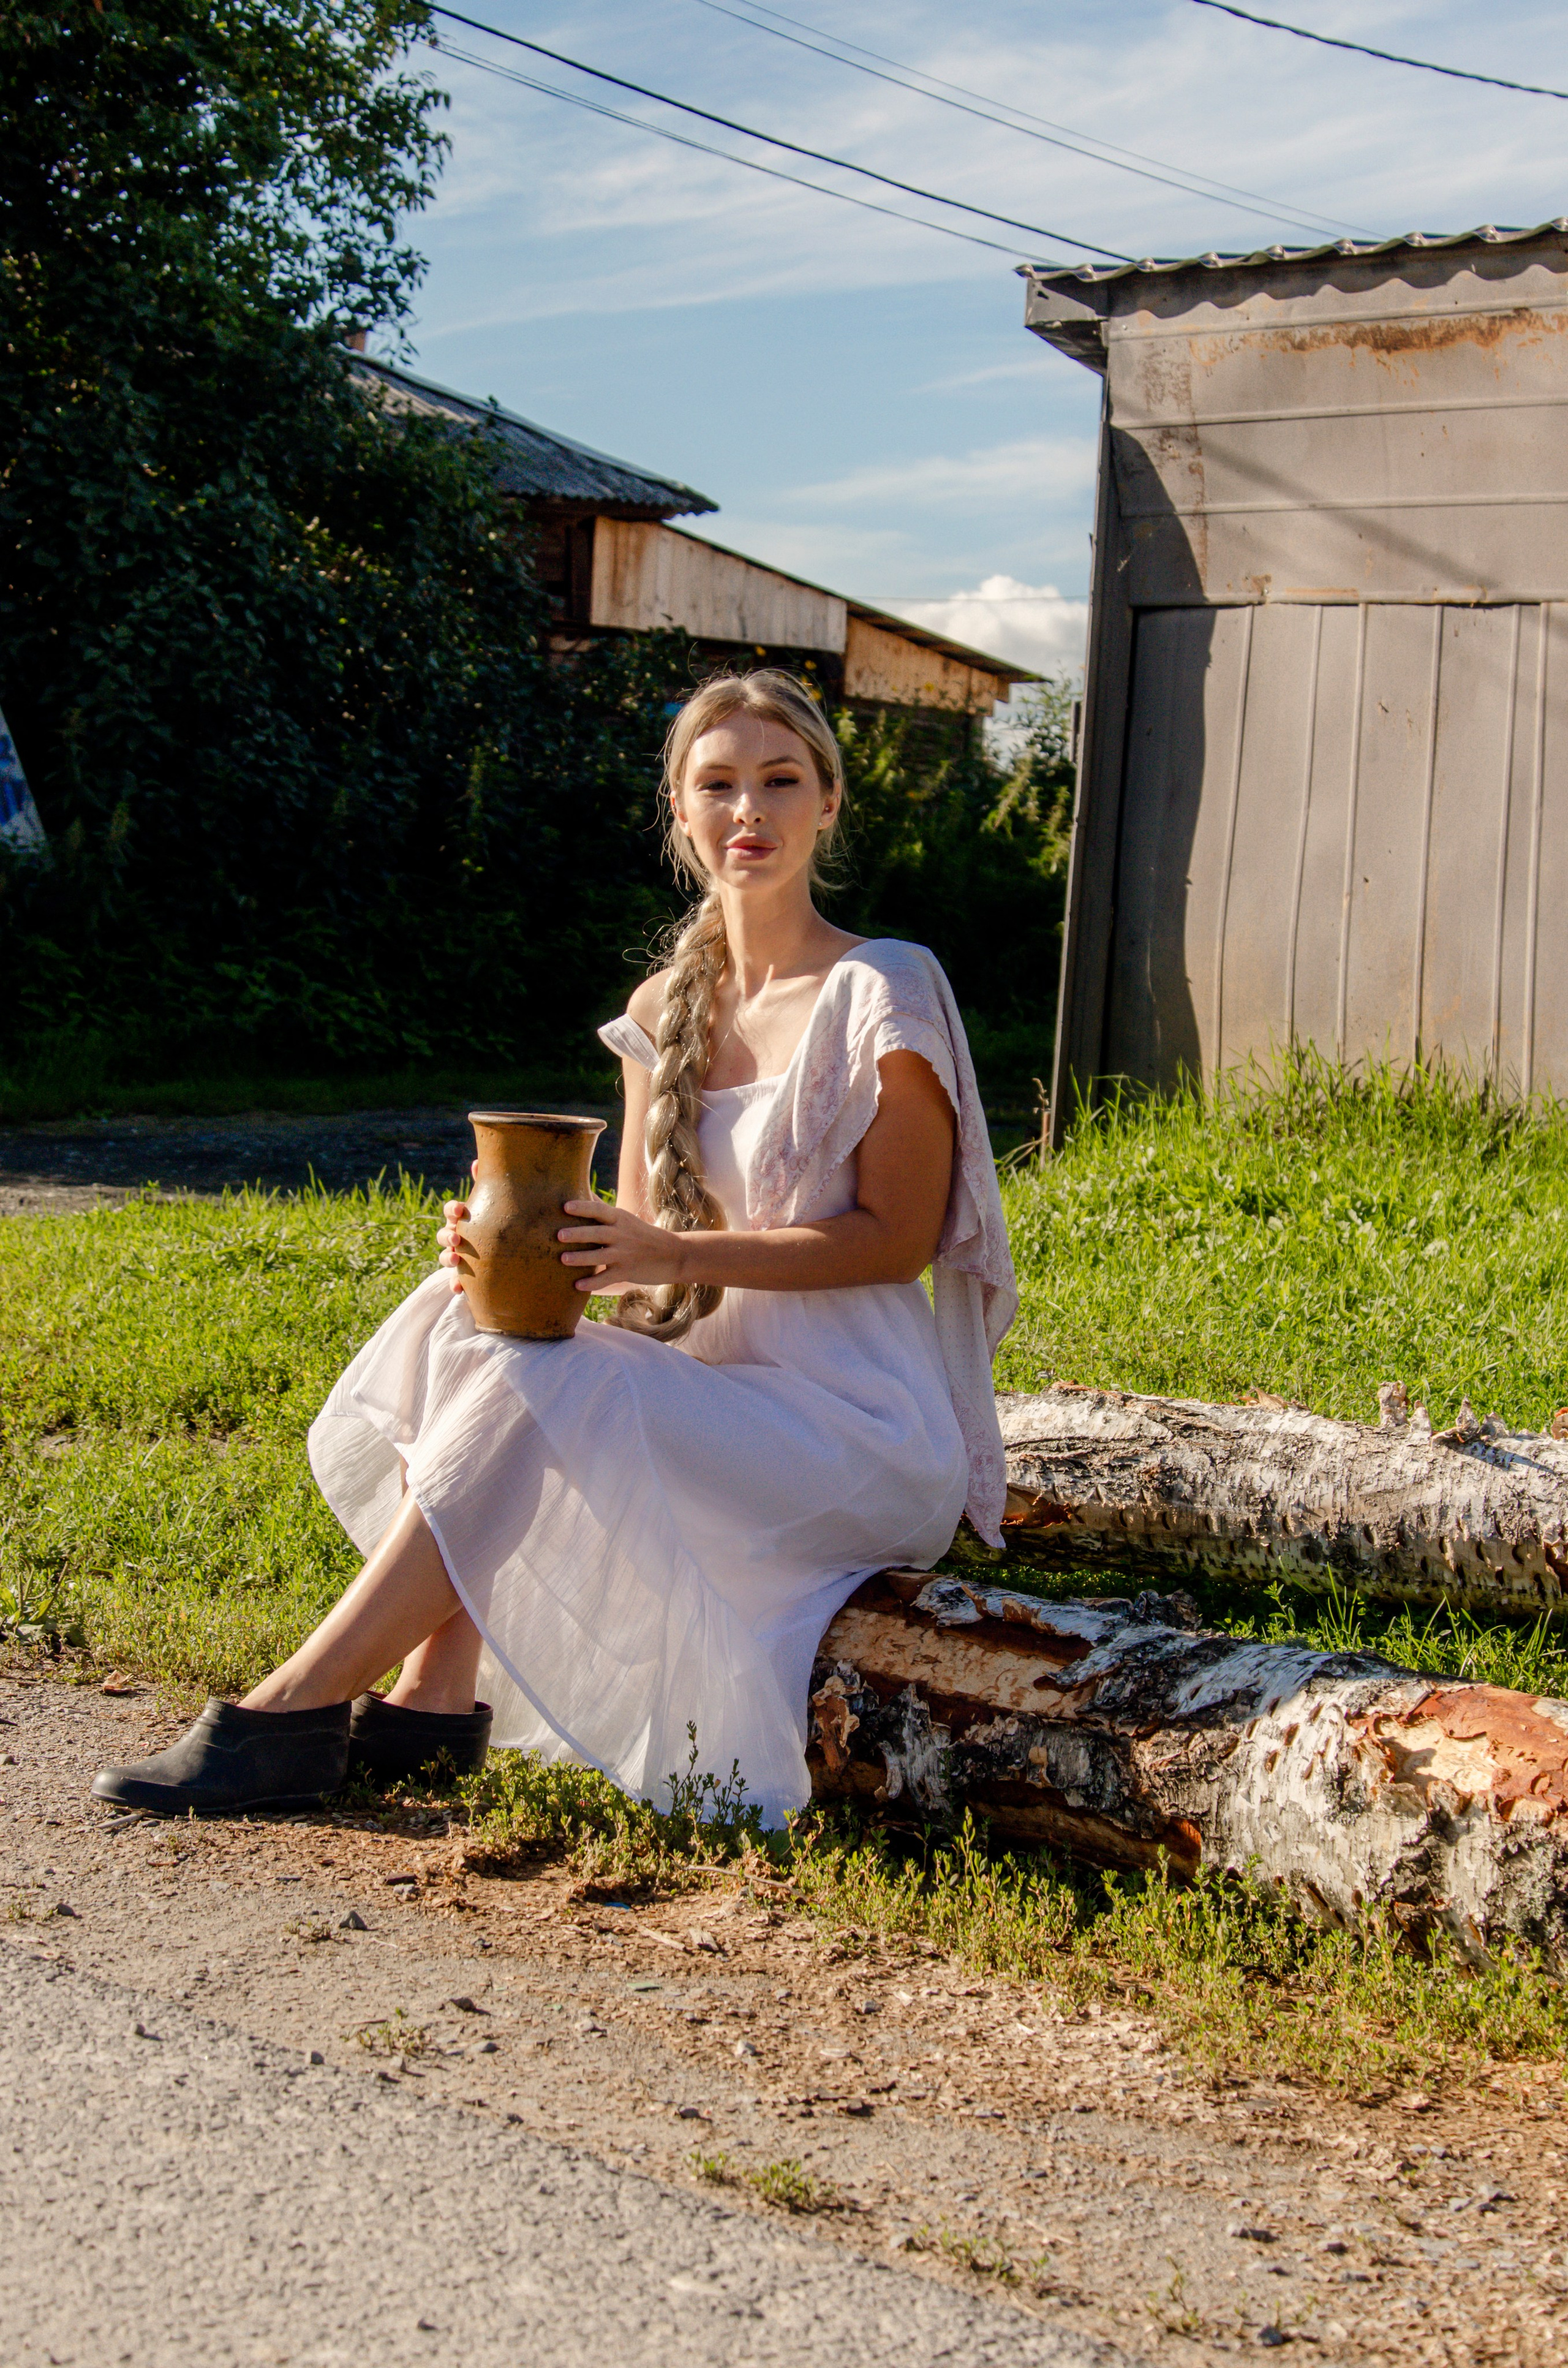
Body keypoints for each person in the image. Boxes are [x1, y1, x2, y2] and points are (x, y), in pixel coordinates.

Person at [91, 671, 1017, 1823]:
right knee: (462, 1317)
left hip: (859, 1433)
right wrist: (519, 1258)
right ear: (680, 812)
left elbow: (896, 1242)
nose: (750, 811)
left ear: (829, 803)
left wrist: (675, 1256)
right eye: (718, 784)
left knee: (549, 1382)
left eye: (781, 781)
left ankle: (299, 1701)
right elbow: (628, 1279)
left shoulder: (886, 982)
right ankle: (435, 1692)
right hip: (718, 1406)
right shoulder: (663, 1007)